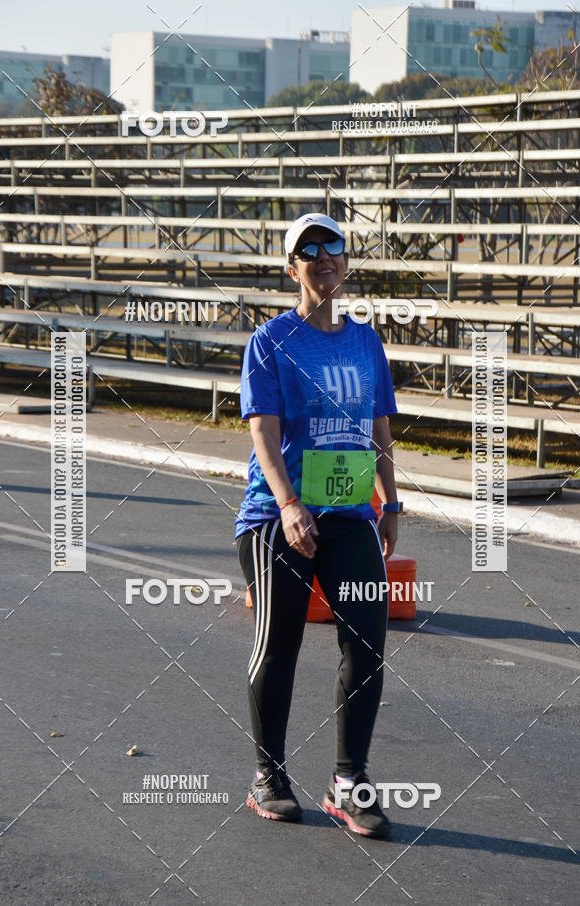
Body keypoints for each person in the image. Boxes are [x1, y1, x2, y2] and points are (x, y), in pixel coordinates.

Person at [235, 212, 401, 839]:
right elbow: (264, 434)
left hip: (350, 512)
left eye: (333, 246)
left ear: (347, 262)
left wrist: (394, 505)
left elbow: (381, 428)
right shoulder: (270, 341)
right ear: (292, 269)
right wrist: (288, 505)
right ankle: (268, 776)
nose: (323, 257)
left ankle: (348, 783)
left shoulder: (364, 341)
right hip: (276, 517)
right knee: (279, 646)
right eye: (309, 250)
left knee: (367, 647)